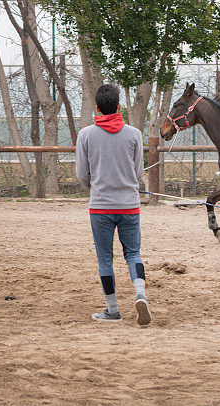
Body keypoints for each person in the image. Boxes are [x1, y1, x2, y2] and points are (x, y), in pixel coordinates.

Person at [75, 84, 151, 325]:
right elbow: (138, 171)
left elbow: (81, 174)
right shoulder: (134, 134)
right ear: (119, 106)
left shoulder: (86, 135)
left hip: (100, 206)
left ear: (97, 108)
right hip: (129, 205)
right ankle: (140, 294)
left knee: (105, 259)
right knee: (133, 253)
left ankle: (112, 309)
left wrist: (96, 188)